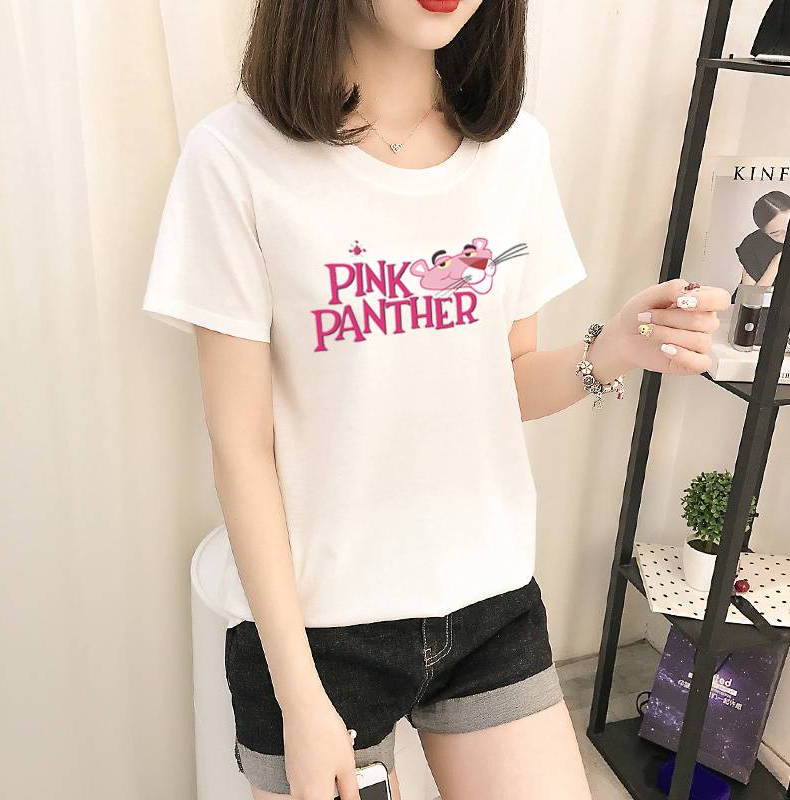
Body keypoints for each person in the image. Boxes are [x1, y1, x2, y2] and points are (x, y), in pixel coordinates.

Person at [141, 2, 729, 798]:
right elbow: (241, 444)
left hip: (488, 603)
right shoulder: (236, 158)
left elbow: (507, 379)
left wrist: (613, 348)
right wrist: (299, 696)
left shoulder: (513, 150)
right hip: (319, 631)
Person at [735, 190, 789, 290]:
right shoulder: (752, 245)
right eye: (777, 234)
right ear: (764, 232)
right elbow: (750, 296)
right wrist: (776, 262)